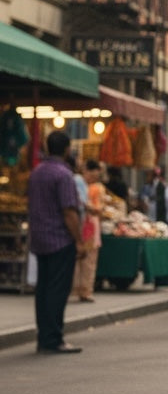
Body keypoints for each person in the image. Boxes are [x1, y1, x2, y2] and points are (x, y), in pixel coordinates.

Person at [27, 130, 87, 353]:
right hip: (60, 240)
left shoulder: (37, 172)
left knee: (43, 289)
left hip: (40, 238)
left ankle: (44, 336)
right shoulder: (63, 174)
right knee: (57, 290)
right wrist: (79, 241)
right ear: (67, 149)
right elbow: (69, 212)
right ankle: (54, 338)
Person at [73, 159, 104, 302]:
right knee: (87, 260)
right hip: (86, 225)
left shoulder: (87, 185)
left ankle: (81, 290)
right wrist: (93, 209)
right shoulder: (80, 183)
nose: (93, 179)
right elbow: (89, 206)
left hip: (86, 224)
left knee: (84, 260)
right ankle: (83, 290)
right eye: (93, 175)